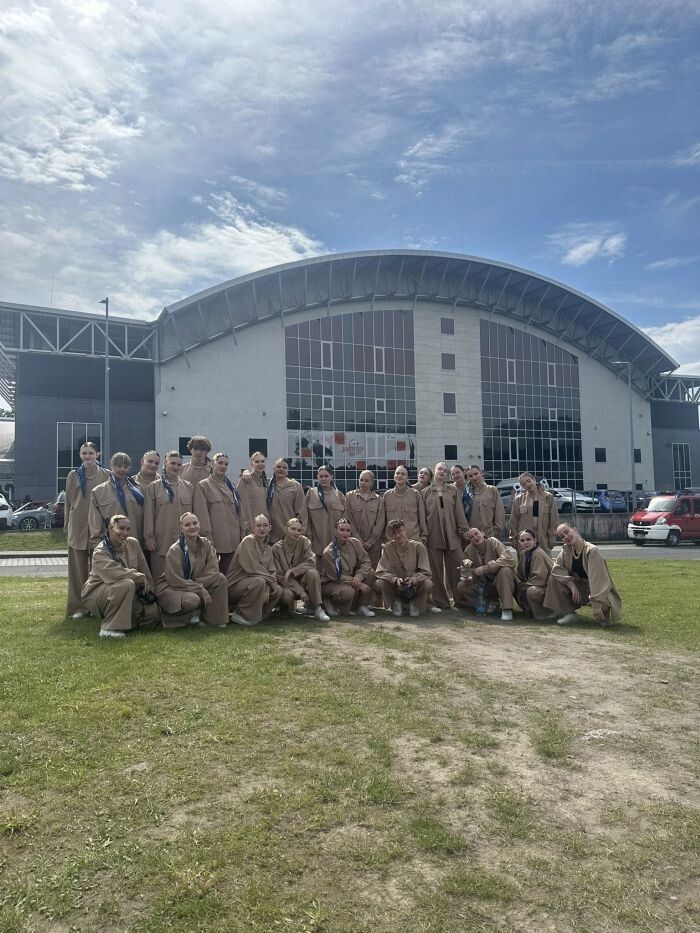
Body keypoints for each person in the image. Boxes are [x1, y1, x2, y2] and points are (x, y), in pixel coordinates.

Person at [82, 514, 160, 639]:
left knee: (152, 614)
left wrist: (150, 592)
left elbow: (144, 570)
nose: (125, 532)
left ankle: (125, 622)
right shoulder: (100, 551)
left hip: (126, 592)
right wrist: (138, 576)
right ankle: (108, 628)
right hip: (98, 592)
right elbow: (115, 573)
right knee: (126, 583)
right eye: (121, 528)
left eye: (128, 529)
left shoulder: (133, 543)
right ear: (110, 528)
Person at [155, 512, 229, 628]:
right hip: (173, 587)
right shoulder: (175, 550)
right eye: (187, 525)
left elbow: (213, 569)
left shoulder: (206, 543)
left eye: (195, 523)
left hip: (193, 583)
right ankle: (171, 620)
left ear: (199, 524)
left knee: (220, 579)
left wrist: (198, 584)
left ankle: (211, 619)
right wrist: (200, 589)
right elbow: (175, 580)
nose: (192, 527)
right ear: (181, 528)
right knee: (192, 600)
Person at [64, 441, 110, 618]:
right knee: (77, 570)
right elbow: (69, 502)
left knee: (99, 569)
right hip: (77, 527)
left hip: (98, 529)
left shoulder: (106, 475)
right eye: (84, 453)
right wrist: (67, 525)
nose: (87, 456)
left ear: (98, 454)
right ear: (80, 455)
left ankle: (98, 605)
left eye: (91, 453)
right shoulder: (73, 476)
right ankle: (78, 606)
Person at [543, 523, 622, 626]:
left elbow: (597, 580)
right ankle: (569, 614)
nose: (566, 537)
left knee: (603, 608)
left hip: (597, 589)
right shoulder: (566, 550)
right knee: (553, 579)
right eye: (562, 536)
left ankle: (603, 616)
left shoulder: (592, 550)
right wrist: (571, 585)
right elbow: (556, 569)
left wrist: (596, 604)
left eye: (567, 532)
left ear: (575, 530)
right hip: (580, 588)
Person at [422, 462, 469, 611]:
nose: (442, 472)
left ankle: (461, 600)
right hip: (432, 534)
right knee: (435, 571)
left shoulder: (453, 490)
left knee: (458, 566)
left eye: (445, 470)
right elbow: (422, 516)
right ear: (434, 472)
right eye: (439, 469)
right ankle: (440, 601)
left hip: (452, 534)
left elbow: (459, 512)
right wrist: (424, 534)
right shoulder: (425, 492)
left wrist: (463, 530)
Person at [143, 451, 195, 581]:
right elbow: (149, 514)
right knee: (160, 578)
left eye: (179, 464)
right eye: (172, 463)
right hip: (161, 540)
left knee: (182, 576)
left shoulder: (188, 487)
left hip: (184, 540)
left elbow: (194, 515)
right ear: (165, 463)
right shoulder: (154, 487)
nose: (176, 467)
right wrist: (149, 537)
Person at [227, 513, 286, 625]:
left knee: (277, 590)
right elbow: (251, 568)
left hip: (260, 583)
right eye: (258, 525)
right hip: (235, 586)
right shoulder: (247, 541)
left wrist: (268, 588)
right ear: (253, 528)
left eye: (265, 525)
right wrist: (271, 581)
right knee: (259, 581)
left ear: (270, 528)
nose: (262, 528)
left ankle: (258, 617)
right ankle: (240, 614)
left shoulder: (269, 549)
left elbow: (272, 571)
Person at [193, 452, 245, 574]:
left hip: (233, 538)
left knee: (229, 572)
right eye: (220, 463)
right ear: (212, 464)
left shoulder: (231, 486)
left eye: (226, 464)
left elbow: (239, 511)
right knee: (211, 572)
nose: (223, 466)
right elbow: (201, 513)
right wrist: (207, 536)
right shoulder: (203, 485)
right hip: (215, 537)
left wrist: (242, 531)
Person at [272, 517, 330, 622]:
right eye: (293, 529)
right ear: (286, 529)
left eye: (299, 530)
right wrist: (300, 591)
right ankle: (283, 609)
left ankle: (317, 608)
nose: (296, 532)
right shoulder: (276, 548)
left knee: (313, 572)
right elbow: (280, 576)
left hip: (303, 581)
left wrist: (293, 570)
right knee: (287, 596)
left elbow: (312, 562)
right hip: (288, 585)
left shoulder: (304, 541)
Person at [456, 527, 517, 622]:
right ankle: (487, 605)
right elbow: (467, 567)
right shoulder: (469, 550)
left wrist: (486, 568)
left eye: (476, 534)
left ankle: (507, 609)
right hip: (485, 584)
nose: (475, 537)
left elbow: (508, 559)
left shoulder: (493, 542)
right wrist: (466, 574)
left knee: (505, 570)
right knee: (462, 586)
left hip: (502, 582)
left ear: (482, 533)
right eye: (471, 537)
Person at [320, 517, 378, 618]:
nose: (345, 533)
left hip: (351, 579)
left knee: (370, 573)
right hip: (332, 583)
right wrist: (359, 584)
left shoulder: (355, 543)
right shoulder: (329, 552)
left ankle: (361, 606)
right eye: (342, 530)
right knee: (348, 592)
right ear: (335, 531)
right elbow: (335, 576)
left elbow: (366, 561)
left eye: (348, 530)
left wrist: (358, 577)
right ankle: (329, 602)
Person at [376, 519, 432, 617]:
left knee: (428, 583)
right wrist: (395, 580)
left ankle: (415, 603)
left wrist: (414, 580)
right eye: (394, 533)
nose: (397, 535)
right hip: (396, 587)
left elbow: (426, 571)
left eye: (400, 531)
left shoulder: (419, 547)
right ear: (391, 535)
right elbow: (380, 571)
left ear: (405, 531)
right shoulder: (388, 547)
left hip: (414, 586)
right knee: (379, 583)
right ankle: (396, 603)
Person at [89, 452, 145, 548]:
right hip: (111, 544)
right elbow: (95, 522)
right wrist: (97, 544)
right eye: (118, 466)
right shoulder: (98, 491)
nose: (122, 469)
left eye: (125, 466)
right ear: (111, 465)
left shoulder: (139, 489)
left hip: (135, 543)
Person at [509, 472, 559, 556]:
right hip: (525, 539)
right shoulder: (519, 500)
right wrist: (513, 538)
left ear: (534, 480)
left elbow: (554, 519)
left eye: (529, 481)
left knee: (545, 564)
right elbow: (513, 521)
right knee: (526, 564)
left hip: (543, 537)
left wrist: (552, 537)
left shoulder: (548, 497)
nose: (527, 484)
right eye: (524, 484)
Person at [305, 465, 346, 564]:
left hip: (335, 546)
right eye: (321, 476)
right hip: (316, 545)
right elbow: (306, 518)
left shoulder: (339, 495)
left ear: (332, 477)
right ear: (317, 477)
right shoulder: (311, 493)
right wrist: (310, 539)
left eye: (326, 476)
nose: (323, 479)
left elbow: (345, 521)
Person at [345, 469, 385, 568]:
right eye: (361, 480)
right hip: (353, 543)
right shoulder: (350, 497)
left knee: (372, 571)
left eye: (366, 481)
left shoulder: (379, 500)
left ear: (372, 482)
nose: (363, 483)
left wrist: (370, 541)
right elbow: (347, 518)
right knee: (354, 571)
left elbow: (381, 522)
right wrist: (357, 539)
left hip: (373, 545)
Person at [514, 528, 555, 620]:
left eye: (528, 539)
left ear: (535, 540)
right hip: (531, 584)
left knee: (531, 591)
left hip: (547, 588)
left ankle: (546, 613)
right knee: (513, 585)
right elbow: (520, 574)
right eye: (522, 540)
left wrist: (523, 586)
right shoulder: (523, 554)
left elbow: (540, 577)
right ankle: (528, 609)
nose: (525, 542)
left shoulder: (538, 553)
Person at [266, 457, 308, 543]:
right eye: (278, 467)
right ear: (274, 468)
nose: (281, 469)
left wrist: (300, 532)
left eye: (284, 467)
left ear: (288, 470)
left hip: (290, 534)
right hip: (271, 535)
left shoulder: (295, 486)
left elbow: (302, 511)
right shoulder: (267, 486)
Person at [382, 465, 427, 545]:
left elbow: (422, 517)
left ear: (407, 478)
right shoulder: (387, 495)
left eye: (403, 474)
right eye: (397, 473)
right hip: (392, 541)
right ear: (394, 476)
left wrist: (423, 536)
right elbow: (382, 519)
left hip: (413, 540)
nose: (399, 476)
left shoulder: (415, 494)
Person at [465, 465, 505, 539]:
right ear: (468, 478)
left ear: (481, 473)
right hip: (472, 537)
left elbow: (499, 513)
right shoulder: (466, 494)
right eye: (470, 476)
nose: (474, 477)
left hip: (490, 535)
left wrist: (495, 532)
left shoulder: (492, 490)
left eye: (476, 474)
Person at [236, 451, 271, 534]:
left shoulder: (265, 483)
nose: (260, 464)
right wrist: (246, 527)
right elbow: (241, 506)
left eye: (262, 461)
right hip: (251, 529)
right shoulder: (245, 480)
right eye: (257, 462)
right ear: (252, 464)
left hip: (264, 528)